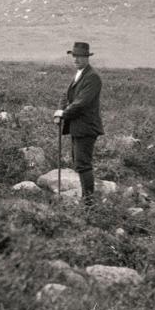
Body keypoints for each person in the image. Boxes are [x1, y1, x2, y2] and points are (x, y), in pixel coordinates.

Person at [54, 41, 104, 206]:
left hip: (86, 127)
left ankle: (89, 203)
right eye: (74, 56)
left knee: (83, 164)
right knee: (79, 163)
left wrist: (64, 113)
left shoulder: (93, 77)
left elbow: (81, 103)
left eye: (80, 56)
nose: (76, 59)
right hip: (78, 127)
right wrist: (59, 112)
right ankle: (86, 200)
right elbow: (65, 96)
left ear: (87, 58)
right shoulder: (79, 74)